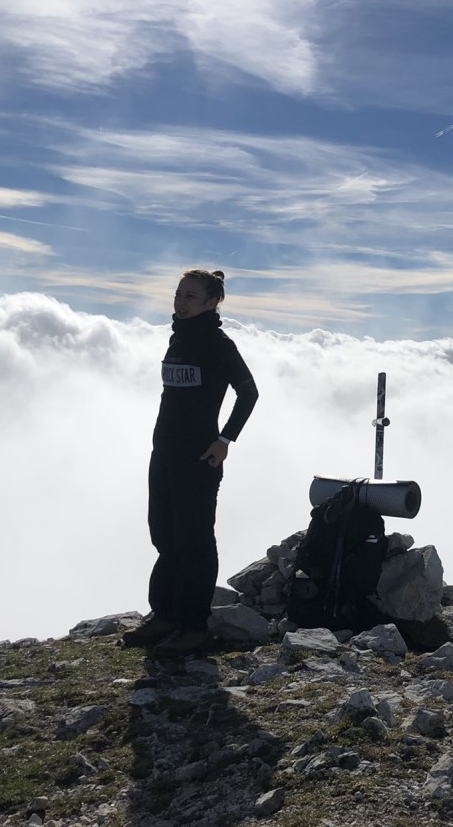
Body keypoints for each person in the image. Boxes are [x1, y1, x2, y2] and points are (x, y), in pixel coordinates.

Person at [123, 268, 259, 655]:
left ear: (212, 302)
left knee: (195, 539)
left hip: (200, 456)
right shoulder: (177, 339)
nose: (180, 303)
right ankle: (166, 615)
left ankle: (193, 626)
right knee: (164, 535)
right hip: (164, 451)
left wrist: (225, 440)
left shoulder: (218, 344)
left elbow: (249, 392)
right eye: (179, 294)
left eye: (191, 297)